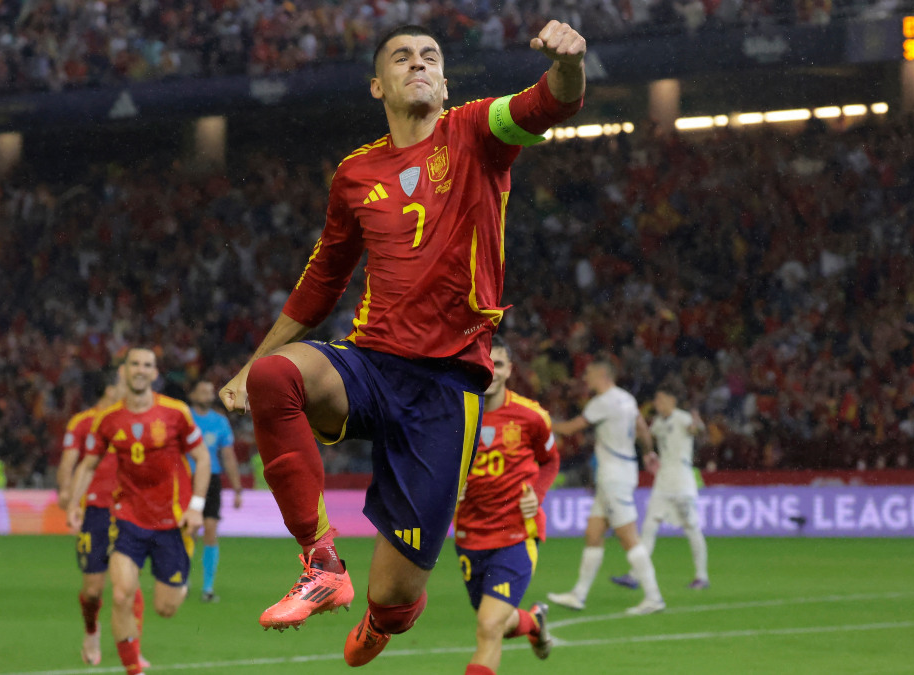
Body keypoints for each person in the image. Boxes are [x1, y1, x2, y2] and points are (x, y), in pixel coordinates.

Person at [218, 20, 586, 668]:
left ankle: (387, 616)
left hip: (447, 389)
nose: (417, 64)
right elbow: (321, 282)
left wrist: (569, 63)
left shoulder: (474, 132)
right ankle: (321, 561)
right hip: (372, 361)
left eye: (430, 57)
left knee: (392, 596)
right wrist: (249, 362)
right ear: (377, 84)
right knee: (274, 378)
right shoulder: (356, 173)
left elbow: (546, 104)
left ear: (444, 83)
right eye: (401, 57)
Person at [67, 348, 211, 675]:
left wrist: (196, 507)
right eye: (134, 364)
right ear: (125, 371)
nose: (140, 370)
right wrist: (75, 503)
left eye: (147, 365)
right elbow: (88, 465)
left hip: (171, 521)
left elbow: (202, 458)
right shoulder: (108, 419)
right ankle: (134, 670)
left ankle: (178, 581)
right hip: (128, 517)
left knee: (166, 607)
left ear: (155, 373)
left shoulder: (176, 413)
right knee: (120, 594)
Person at [454, 336, 559, 674]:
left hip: (516, 534)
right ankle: (535, 622)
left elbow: (551, 461)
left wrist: (536, 495)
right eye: (484, 362)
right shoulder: (453, 415)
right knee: (498, 621)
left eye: (497, 364)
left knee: (488, 627)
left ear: (509, 369)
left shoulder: (532, 416)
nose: (491, 370)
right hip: (469, 536)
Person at [546, 359, 666, 615]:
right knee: (593, 533)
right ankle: (578, 595)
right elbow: (642, 428)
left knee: (628, 537)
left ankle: (654, 597)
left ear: (603, 374)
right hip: (619, 473)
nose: (585, 378)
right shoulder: (627, 399)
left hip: (614, 477)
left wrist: (540, 422)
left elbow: (570, 428)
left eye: (588, 373)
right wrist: (649, 453)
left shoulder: (603, 402)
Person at [56, 370, 150, 668]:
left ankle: (134, 651)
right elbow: (69, 462)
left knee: (128, 585)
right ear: (109, 389)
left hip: (128, 510)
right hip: (94, 511)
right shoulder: (83, 422)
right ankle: (91, 630)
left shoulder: (134, 420)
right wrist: (67, 494)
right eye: (123, 384)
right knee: (93, 589)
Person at [610, 387, 709, 591]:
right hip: (663, 481)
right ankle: (634, 575)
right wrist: (649, 453)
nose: (657, 403)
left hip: (682, 481)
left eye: (660, 399)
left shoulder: (682, 418)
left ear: (672, 400)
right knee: (648, 527)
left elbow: (696, 430)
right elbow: (649, 439)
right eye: (656, 399)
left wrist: (698, 423)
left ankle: (701, 576)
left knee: (691, 527)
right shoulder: (658, 422)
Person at [188, 380, 243, 602]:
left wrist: (237, 488)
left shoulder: (220, 422)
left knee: (210, 530)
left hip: (210, 480)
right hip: (185, 479)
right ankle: (181, 580)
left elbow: (228, 456)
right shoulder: (184, 418)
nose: (207, 394)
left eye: (210, 391)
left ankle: (208, 588)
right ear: (193, 394)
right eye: (202, 390)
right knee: (187, 531)